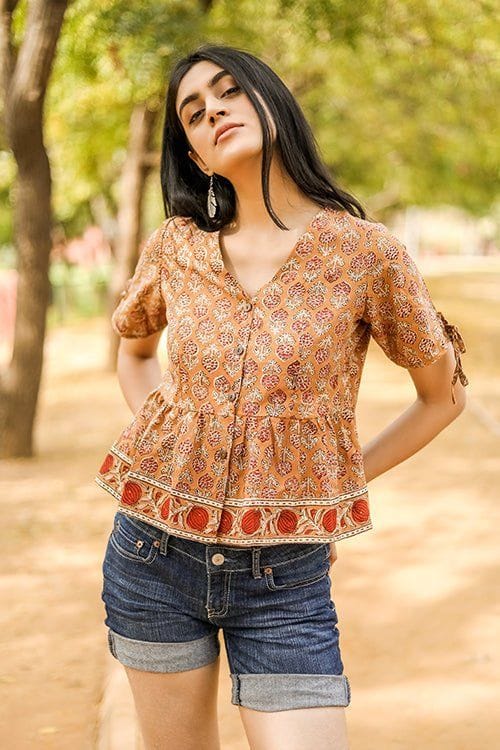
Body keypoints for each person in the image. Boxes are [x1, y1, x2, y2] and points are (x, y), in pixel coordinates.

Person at [97, 44, 469, 750]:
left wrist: (335, 482)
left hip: (285, 580)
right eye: (194, 113)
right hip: (151, 557)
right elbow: (135, 350)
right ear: (196, 155)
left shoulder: (365, 252)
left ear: (271, 101)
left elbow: (441, 396)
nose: (214, 112)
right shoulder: (177, 246)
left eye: (229, 92)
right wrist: (174, 443)